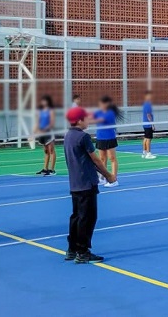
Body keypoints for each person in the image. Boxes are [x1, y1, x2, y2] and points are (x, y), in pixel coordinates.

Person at [63, 107, 115, 264]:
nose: (88, 121)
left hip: (75, 182)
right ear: (79, 120)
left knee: (76, 216)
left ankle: (72, 248)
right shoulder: (83, 137)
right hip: (86, 183)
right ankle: (83, 251)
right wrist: (108, 175)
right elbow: (95, 159)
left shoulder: (68, 136)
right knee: (88, 217)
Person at [93, 96, 121, 188]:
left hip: (109, 137)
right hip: (100, 137)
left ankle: (114, 179)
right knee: (102, 159)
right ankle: (102, 177)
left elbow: (100, 120)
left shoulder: (110, 113)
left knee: (112, 158)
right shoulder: (98, 112)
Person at [35, 95, 57, 176]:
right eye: (42, 100)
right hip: (41, 133)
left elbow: (52, 123)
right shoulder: (40, 111)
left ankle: (52, 170)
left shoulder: (51, 111)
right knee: (46, 151)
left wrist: (45, 129)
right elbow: (38, 122)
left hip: (49, 132)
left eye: (45, 100)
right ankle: (45, 169)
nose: (43, 102)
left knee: (51, 150)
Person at [139, 91, 156, 160]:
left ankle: (144, 152)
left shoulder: (145, 104)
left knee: (146, 138)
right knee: (148, 139)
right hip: (148, 124)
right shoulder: (148, 105)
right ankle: (148, 153)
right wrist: (152, 124)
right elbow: (148, 115)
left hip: (145, 124)